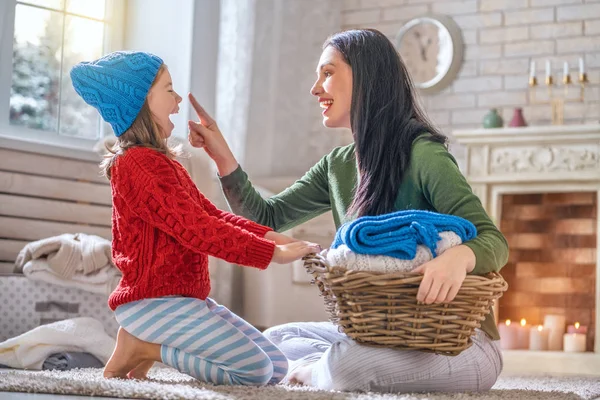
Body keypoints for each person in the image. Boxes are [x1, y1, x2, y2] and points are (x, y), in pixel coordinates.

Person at [186, 29, 509, 393]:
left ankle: (321, 371)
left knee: (348, 366)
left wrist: (460, 257)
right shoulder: (337, 165)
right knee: (276, 337)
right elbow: (267, 218)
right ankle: (324, 367)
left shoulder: (424, 155)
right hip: (384, 337)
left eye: (327, 72)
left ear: (367, 76)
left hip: (460, 345)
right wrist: (222, 155)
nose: (315, 88)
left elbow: (493, 240)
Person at [70, 51, 320, 386]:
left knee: (276, 366)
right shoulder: (138, 164)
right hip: (154, 303)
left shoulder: (161, 162)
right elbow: (197, 230)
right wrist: (269, 254)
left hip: (182, 299)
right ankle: (144, 347)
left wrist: (271, 237)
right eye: (169, 90)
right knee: (254, 372)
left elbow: (210, 214)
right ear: (141, 100)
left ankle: (145, 345)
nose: (177, 100)